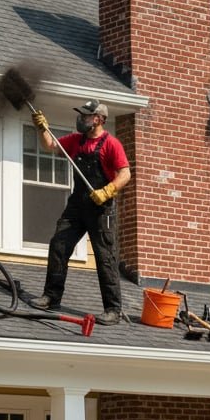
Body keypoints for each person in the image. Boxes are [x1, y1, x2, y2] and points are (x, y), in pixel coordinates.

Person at [29, 100, 131, 325]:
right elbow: (51, 146)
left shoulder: (111, 144)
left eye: (85, 116)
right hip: (77, 204)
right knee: (59, 244)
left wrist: (107, 190)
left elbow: (125, 173)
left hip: (101, 209)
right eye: (81, 116)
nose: (81, 119)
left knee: (105, 258)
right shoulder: (76, 141)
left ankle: (113, 310)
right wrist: (41, 128)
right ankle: (51, 297)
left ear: (97, 119)